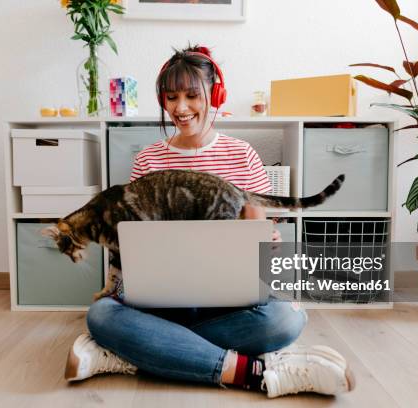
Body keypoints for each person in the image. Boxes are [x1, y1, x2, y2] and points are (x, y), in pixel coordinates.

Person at [64, 45, 355, 398]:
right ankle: (253, 371)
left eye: (191, 96)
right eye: (171, 98)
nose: (181, 108)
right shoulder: (147, 160)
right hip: (161, 302)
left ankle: (138, 353)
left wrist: (264, 239)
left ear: (214, 95)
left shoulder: (242, 154)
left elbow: (262, 236)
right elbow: (133, 243)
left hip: (225, 301)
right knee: (101, 316)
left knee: (287, 318)